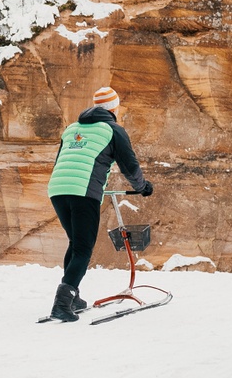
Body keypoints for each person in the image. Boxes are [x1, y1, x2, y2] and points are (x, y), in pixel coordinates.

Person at [45, 86, 152, 321]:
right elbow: (129, 165)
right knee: (83, 249)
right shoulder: (113, 129)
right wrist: (143, 187)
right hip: (83, 190)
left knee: (76, 244)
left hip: (57, 189)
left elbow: (62, 160)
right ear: (114, 108)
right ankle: (62, 304)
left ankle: (72, 297)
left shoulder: (72, 128)